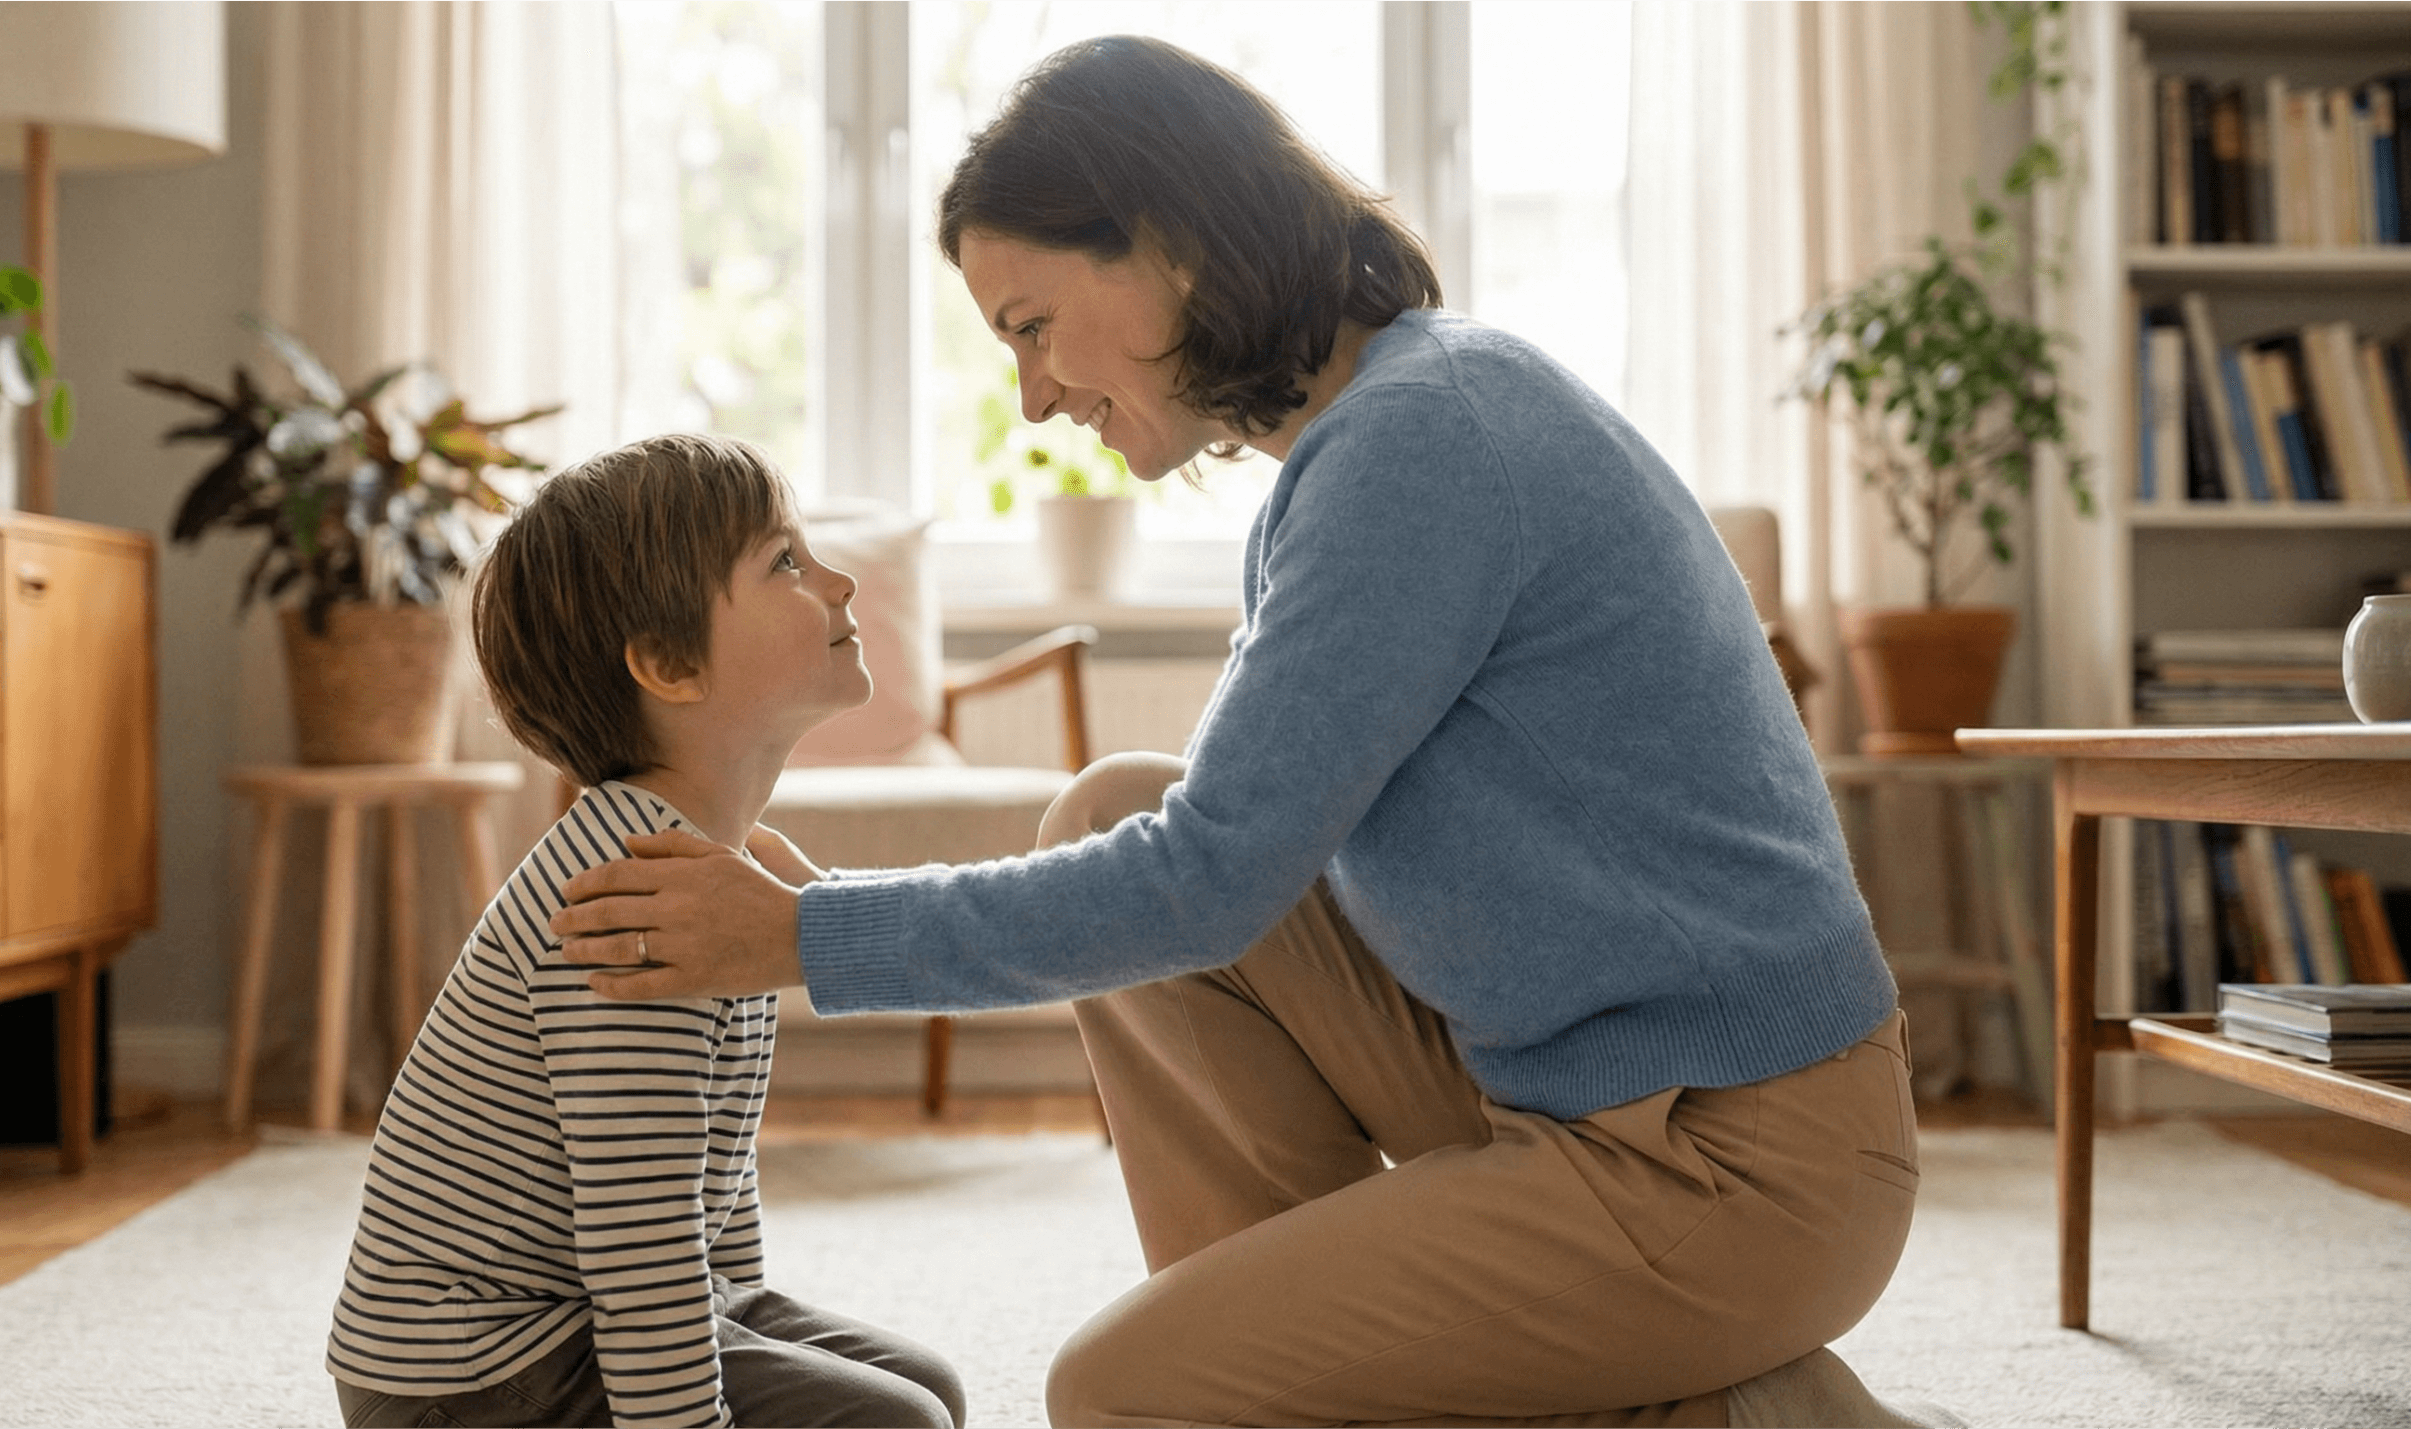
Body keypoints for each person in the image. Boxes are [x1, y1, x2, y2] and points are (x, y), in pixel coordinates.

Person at [552, 37, 1958, 1429]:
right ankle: (1403, 1374)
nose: (1031, 394)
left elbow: (1205, 881)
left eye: (1030, 325)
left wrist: (804, 936)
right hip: (1577, 1084)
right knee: (1110, 807)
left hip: (1729, 1153)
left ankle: (1639, 1387)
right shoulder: (1378, 431)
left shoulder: (1422, 444)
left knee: (1121, 1393)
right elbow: (1210, 859)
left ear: (1168, 247)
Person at [325, 433, 966, 1429]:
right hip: (472, 1374)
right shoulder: (635, 903)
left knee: (929, 1389)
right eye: (785, 563)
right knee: (899, 1424)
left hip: (569, 1314)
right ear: (668, 664)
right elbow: (639, 1240)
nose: (839, 582)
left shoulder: (715, 873)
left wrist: (744, 1316)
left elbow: (707, 1167)